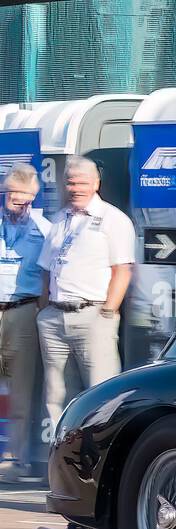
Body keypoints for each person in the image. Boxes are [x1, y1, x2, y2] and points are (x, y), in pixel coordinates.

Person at [36, 156, 135, 437]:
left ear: (96, 183)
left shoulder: (113, 219)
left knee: (101, 391)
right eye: (70, 182)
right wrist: (46, 309)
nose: (75, 187)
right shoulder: (59, 219)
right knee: (56, 393)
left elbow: (123, 270)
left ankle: (100, 459)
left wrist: (107, 313)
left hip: (93, 315)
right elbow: (46, 269)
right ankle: (59, 458)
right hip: (55, 316)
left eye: (81, 182)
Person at [0, 162, 50, 483]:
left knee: (21, 391)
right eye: (13, 198)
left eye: (26, 199)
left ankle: (18, 461)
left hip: (23, 311)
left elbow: (49, 277)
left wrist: (40, 312)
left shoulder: (45, 229)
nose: (20, 205)